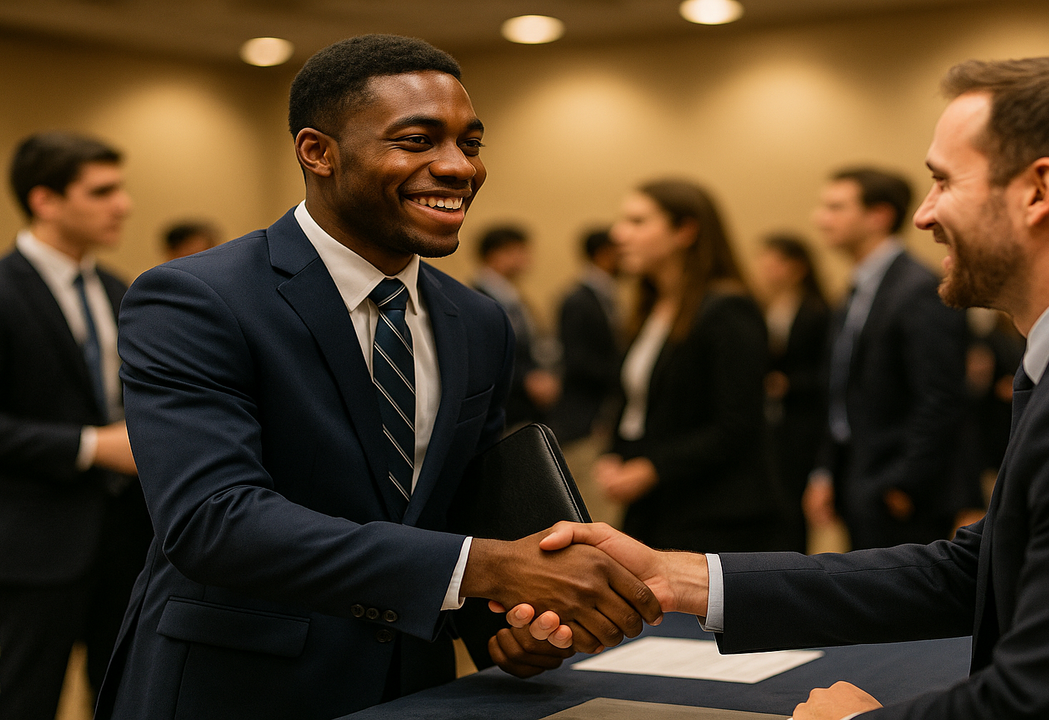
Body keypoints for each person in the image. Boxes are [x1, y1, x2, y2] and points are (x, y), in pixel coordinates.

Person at [523, 56, 1049, 719]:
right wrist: (685, 580)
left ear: (1039, 191)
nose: (925, 213)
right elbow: (977, 569)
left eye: (943, 180)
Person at [97, 35, 659, 720]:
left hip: (410, 687)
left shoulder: (477, 320)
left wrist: (508, 633)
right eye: (417, 140)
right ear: (318, 152)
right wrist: (489, 566)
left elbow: (460, 508)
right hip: (236, 685)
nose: (458, 168)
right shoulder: (196, 297)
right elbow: (214, 523)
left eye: (471, 144)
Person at [0, 131, 151, 720]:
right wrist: (89, 446)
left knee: (120, 694)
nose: (121, 205)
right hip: (35, 539)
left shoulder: (119, 289)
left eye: (119, 189)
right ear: (44, 200)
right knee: (29, 697)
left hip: (125, 536)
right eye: (101, 192)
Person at [594, 179, 786, 552]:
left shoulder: (727, 309)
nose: (619, 234)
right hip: (661, 504)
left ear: (685, 231)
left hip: (715, 513)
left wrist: (653, 468)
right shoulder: (652, 307)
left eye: (637, 222)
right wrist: (614, 455)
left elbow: (737, 424)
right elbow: (636, 404)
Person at [804, 167, 968, 550]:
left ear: (878, 216)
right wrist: (826, 471)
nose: (820, 218)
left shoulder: (918, 289)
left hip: (895, 489)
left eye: (835, 207)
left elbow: (941, 397)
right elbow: (842, 388)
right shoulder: (859, 286)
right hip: (857, 473)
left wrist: (905, 483)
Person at [754, 233, 830, 552]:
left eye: (774, 263)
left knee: (793, 501)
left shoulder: (816, 311)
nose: (765, 270)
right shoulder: (770, 307)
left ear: (797, 267)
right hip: (776, 422)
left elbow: (828, 373)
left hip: (804, 421)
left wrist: (789, 384)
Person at [548, 227, 624, 525]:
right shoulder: (578, 299)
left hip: (599, 411)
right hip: (583, 416)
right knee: (589, 502)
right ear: (604, 254)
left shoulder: (606, 295)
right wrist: (623, 378)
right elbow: (577, 360)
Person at [472, 224, 561, 428]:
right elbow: (486, 355)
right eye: (518, 251)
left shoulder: (513, 295)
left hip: (525, 406)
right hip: (502, 407)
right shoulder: (475, 298)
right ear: (495, 255)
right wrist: (525, 379)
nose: (526, 258)